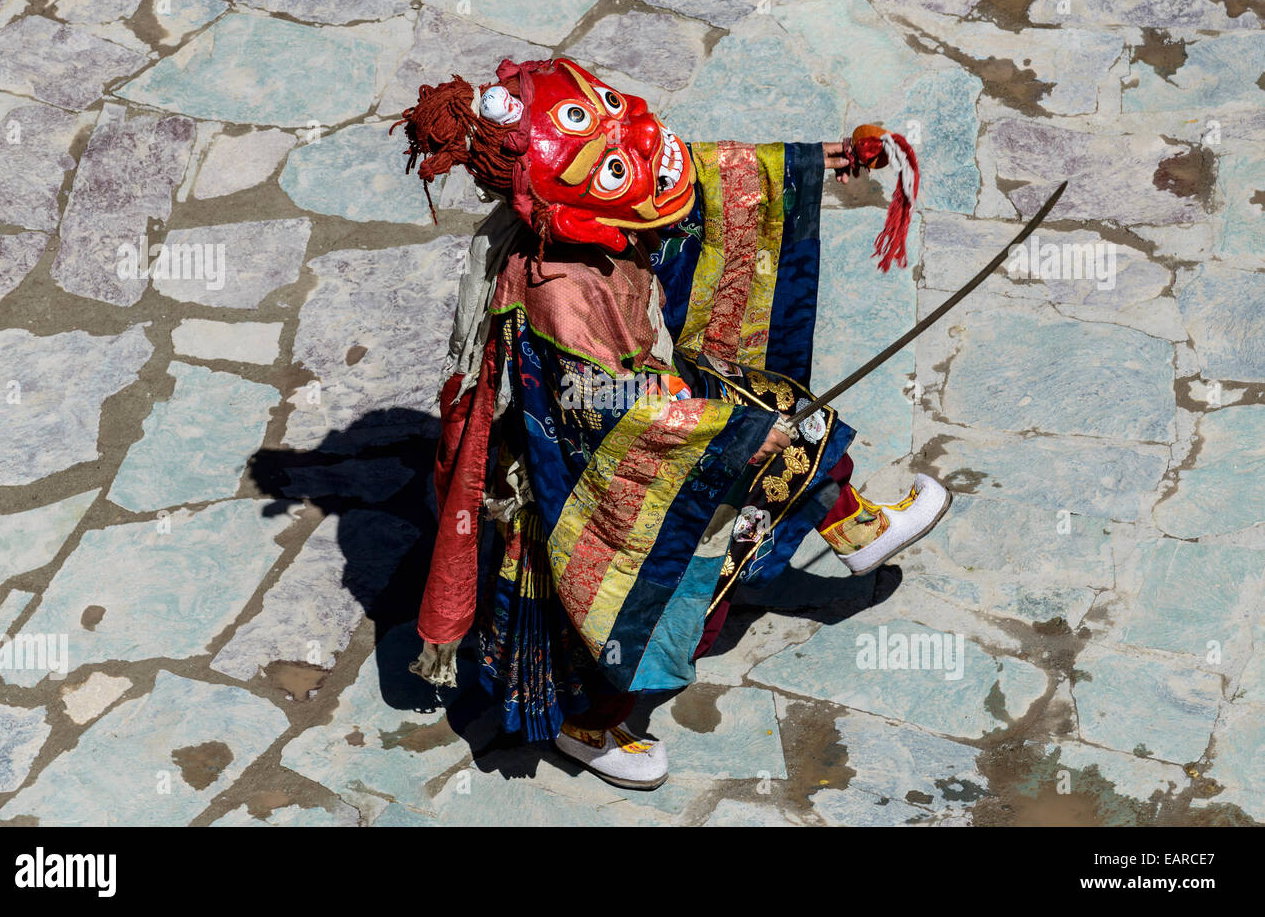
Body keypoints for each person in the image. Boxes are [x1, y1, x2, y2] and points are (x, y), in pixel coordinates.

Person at [396, 57, 950, 790]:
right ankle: (589, 721)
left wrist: (831, 159)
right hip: (602, 470)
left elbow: (704, 173)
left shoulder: (607, 176)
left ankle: (858, 528)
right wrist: (731, 436)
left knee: (779, 409)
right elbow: (603, 413)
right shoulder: (559, 294)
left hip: (664, 394)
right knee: (677, 581)